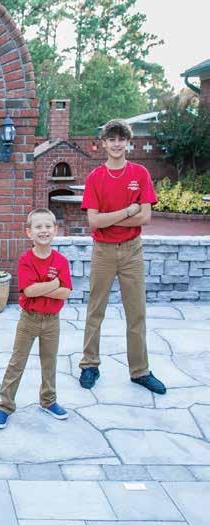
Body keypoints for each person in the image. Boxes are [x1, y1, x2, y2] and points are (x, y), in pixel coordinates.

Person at [78, 119, 166, 394]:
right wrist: (128, 211)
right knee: (95, 310)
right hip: (103, 251)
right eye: (111, 139)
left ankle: (140, 371)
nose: (116, 144)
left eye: (121, 139)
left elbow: (146, 217)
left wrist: (111, 219)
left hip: (132, 250)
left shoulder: (140, 173)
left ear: (128, 142)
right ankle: (89, 364)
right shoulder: (95, 177)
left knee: (136, 312)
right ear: (103, 143)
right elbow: (94, 222)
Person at [0, 208, 72, 429]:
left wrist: (42, 288)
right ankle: (4, 405)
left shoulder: (61, 261)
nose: (43, 230)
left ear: (55, 230)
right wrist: (54, 284)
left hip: (52, 320)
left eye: (48, 226)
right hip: (29, 319)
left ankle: (48, 401)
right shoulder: (26, 259)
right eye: (38, 227)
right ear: (29, 232)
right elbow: (28, 291)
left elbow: (65, 292)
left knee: (49, 362)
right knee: (17, 362)